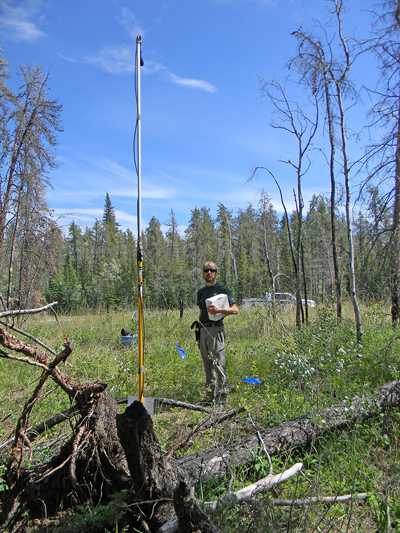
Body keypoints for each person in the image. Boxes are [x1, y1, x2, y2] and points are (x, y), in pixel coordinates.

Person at [196, 261, 238, 405]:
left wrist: (219, 310)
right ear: (203, 273)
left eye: (212, 270)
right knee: (207, 366)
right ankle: (209, 397)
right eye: (206, 270)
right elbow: (201, 313)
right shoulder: (201, 292)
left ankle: (221, 399)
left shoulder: (222, 289)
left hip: (216, 329)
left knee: (219, 364)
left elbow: (235, 309)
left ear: (215, 273)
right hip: (203, 331)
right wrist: (198, 337)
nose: (209, 273)